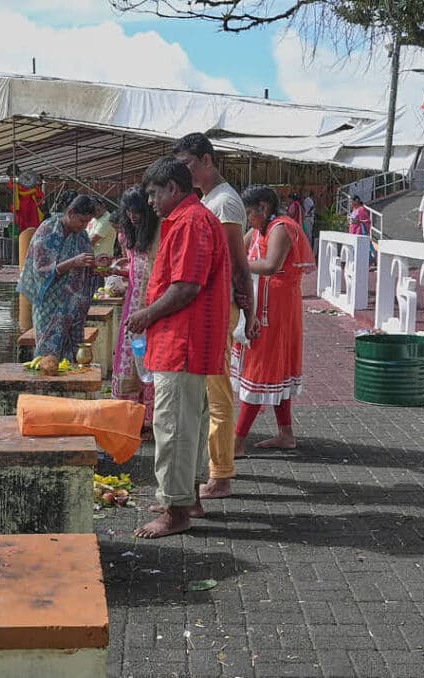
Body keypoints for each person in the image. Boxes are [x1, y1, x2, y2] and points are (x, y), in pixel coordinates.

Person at [126, 157, 230, 539]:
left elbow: (186, 286)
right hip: (189, 342)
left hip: (182, 341)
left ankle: (175, 509)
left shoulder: (190, 221)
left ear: (172, 188)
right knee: (191, 424)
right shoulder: (193, 219)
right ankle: (189, 497)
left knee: (172, 427)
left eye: (154, 193)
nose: (150, 202)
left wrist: (146, 314)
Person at [172, 132, 253, 501]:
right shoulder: (208, 200)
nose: (184, 172)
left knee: (217, 392)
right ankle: (214, 468)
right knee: (207, 392)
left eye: (188, 164)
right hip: (208, 307)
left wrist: (249, 313)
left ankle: (221, 474)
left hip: (219, 308)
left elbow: (238, 264)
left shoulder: (225, 203)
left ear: (206, 159)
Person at [231, 186, 314, 454]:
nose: (248, 219)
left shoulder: (281, 227)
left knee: (261, 369)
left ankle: (237, 443)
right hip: (264, 303)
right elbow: (237, 248)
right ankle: (285, 434)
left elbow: (270, 265)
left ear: (263, 207)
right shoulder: (259, 228)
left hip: (275, 308)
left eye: (249, 213)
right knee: (274, 369)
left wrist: (235, 264)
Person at [17, 195, 109, 361]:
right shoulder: (47, 230)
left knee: (74, 354)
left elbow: (86, 265)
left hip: (74, 305)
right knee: (48, 354)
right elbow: (41, 271)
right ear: (70, 213)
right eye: (81, 221)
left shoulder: (81, 235)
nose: (84, 226)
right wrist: (73, 262)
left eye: (87, 222)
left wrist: (96, 263)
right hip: (50, 304)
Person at [110, 186, 160, 437]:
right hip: (132, 304)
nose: (133, 216)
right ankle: (129, 418)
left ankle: (149, 420)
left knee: (149, 361)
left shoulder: (159, 233)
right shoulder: (125, 236)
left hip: (153, 304)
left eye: (138, 211)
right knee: (129, 359)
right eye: (129, 211)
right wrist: (118, 269)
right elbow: (134, 267)